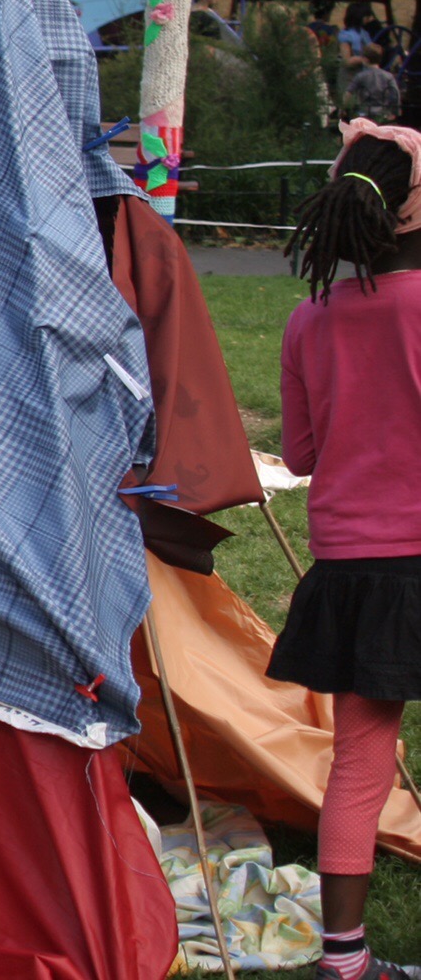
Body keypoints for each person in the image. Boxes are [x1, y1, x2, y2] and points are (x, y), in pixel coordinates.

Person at [264, 121, 421, 980]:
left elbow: (300, 455)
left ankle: (345, 960)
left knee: (360, 762)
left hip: (353, 570)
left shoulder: (306, 320)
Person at [349, 44, 402, 125]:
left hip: (364, 114)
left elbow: (348, 93)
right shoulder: (388, 76)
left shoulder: (360, 76)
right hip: (382, 114)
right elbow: (395, 94)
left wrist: (345, 108)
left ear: (365, 59)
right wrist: (396, 112)